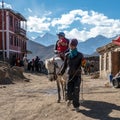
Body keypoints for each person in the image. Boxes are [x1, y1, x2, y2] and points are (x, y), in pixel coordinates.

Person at [59, 39, 84, 112]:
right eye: (70, 45)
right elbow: (65, 65)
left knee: (76, 91)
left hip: (77, 76)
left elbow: (83, 64)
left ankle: (76, 106)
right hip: (69, 75)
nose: (71, 46)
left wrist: (84, 64)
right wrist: (61, 72)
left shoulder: (80, 55)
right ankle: (69, 100)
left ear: (76, 46)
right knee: (68, 91)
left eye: (73, 45)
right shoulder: (67, 55)